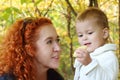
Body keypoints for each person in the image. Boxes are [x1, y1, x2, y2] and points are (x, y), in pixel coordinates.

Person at [73, 7, 119, 80]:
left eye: (90, 33)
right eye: (80, 35)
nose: (84, 38)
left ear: (104, 33)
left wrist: (90, 64)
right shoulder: (86, 56)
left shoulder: (109, 56)